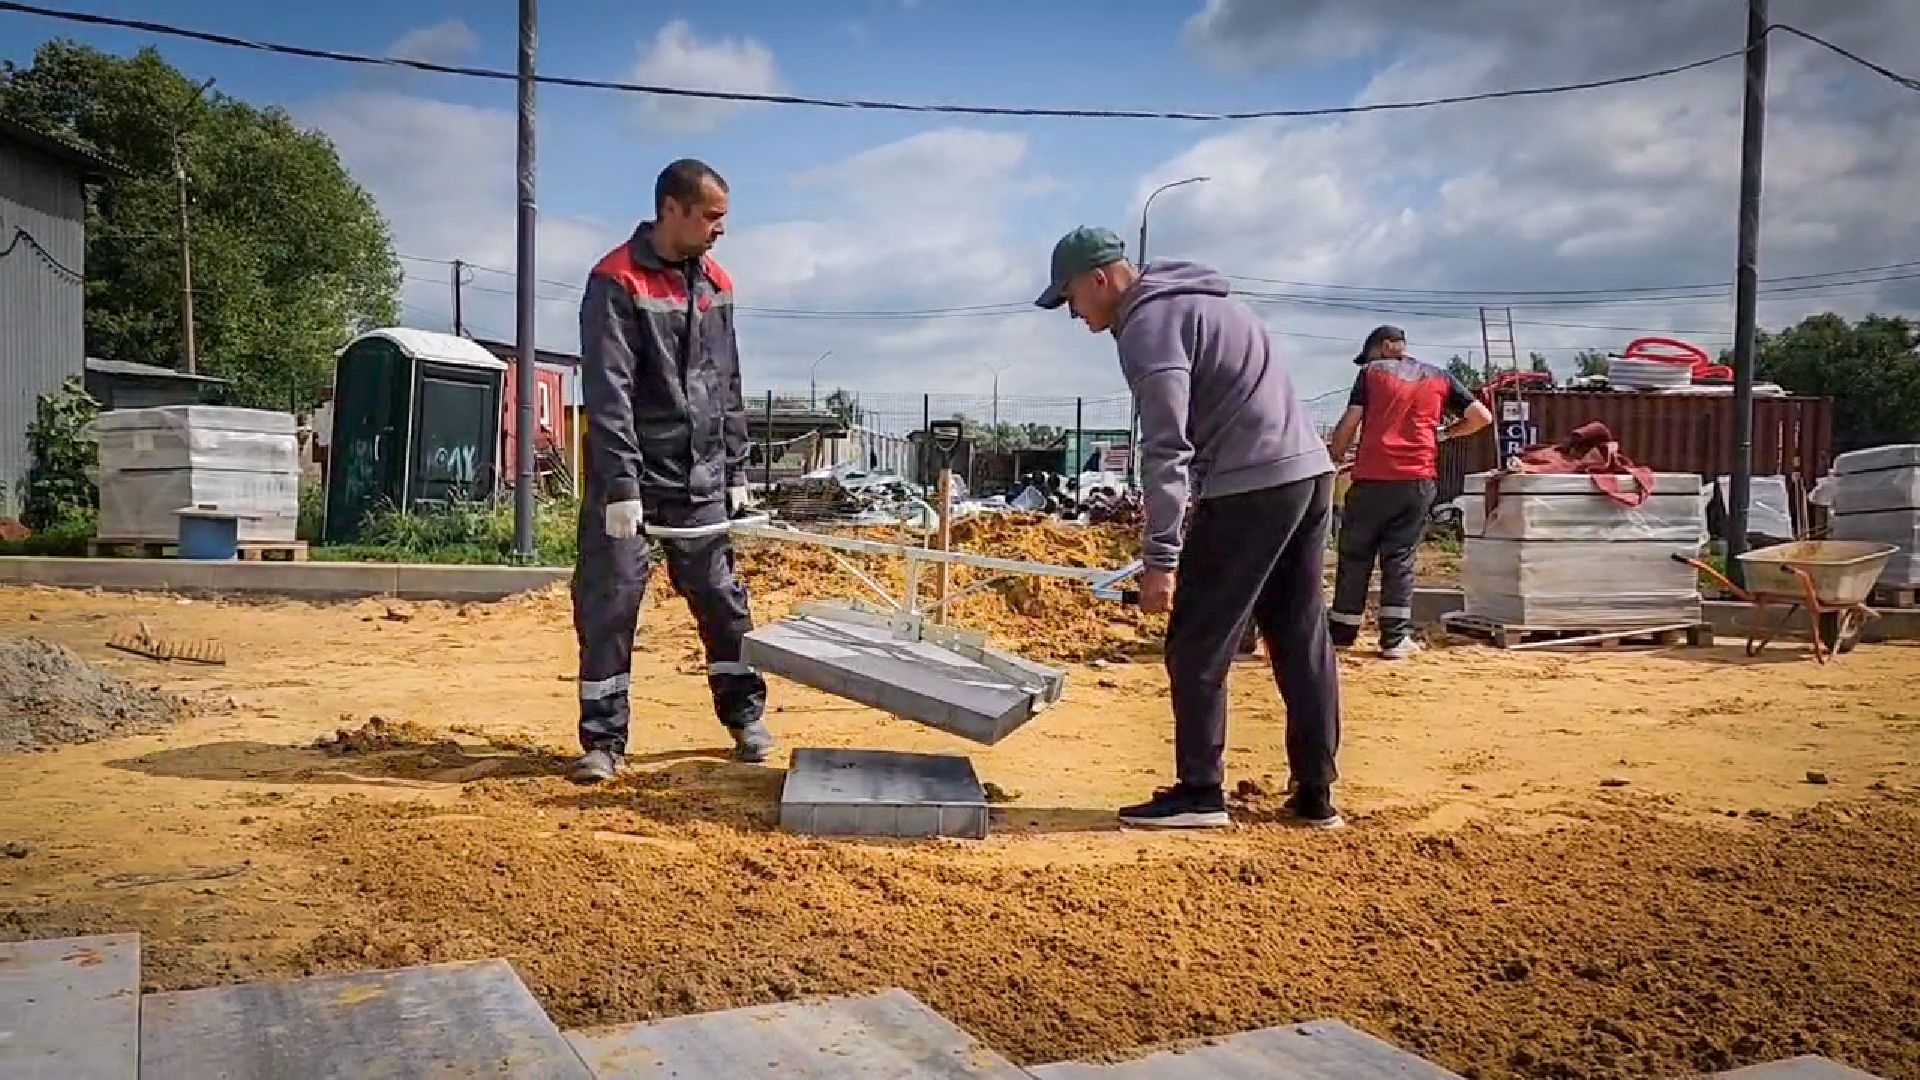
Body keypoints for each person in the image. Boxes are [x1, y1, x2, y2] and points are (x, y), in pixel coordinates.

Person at [1035, 226, 1343, 830]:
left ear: (1100, 279)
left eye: (1070, 297)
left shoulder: (1150, 326)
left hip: (1251, 484)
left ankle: (1200, 794)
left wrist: (1161, 559)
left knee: (1197, 643)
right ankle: (1315, 794)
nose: (1072, 312)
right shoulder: (1209, 301)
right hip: (1307, 476)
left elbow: (1165, 448)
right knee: (1299, 634)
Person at [570, 158, 771, 784]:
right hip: (630, 482)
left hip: (702, 479)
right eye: (711, 216)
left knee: (720, 598)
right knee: (612, 601)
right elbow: (611, 391)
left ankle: (745, 717)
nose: (721, 229)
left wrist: (736, 466)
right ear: (672, 209)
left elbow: (728, 381)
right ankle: (604, 742)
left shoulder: (717, 284)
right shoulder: (616, 280)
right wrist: (622, 486)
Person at [1326, 326, 1493, 659]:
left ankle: (1341, 635)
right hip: (1416, 481)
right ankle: (1394, 640)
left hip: (1372, 479)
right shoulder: (1440, 377)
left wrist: (1335, 455)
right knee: (1400, 558)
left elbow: (1351, 419)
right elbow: (1481, 417)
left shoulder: (1371, 374)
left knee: (1355, 555)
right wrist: (1443, 435)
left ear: (1387, 347)